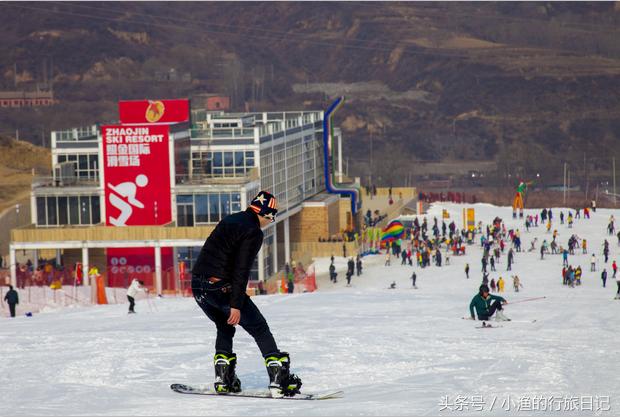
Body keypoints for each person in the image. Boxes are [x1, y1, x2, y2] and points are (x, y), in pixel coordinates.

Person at [191, 190, 301, 397]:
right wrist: (236, 304)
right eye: (272, 216)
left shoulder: (230, 219)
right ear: (266, 214)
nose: (271, 221)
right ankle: (278, 379)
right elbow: (242, 270)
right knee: (259, 327)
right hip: (221, 288)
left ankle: (223, 380)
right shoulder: (253, 231)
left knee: (224, 326)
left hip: (198, 286)